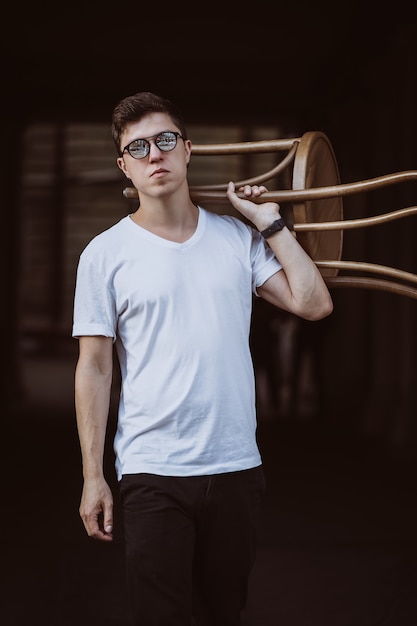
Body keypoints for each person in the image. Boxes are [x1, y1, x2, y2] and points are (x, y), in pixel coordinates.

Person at [72, 91, 333, 626]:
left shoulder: (237, 239)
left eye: (165, 140)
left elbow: (314, 303)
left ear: (187, 150)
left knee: (223, 615)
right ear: (125, 165)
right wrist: (92, 475)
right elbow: (95, 367)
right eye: (138, 147)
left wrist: (269, 223)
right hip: (152, 469)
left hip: (236, 466)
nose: (154, 154)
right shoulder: (104, 255)